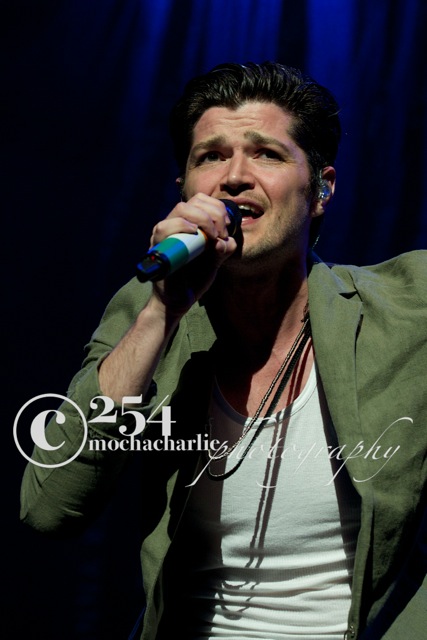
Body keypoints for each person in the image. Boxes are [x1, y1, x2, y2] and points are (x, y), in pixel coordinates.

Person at [20, 62, 426, 640]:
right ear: (184, 189)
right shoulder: (148, 311)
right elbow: (51, 506)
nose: (234, 177)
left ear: (322, 189)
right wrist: (161, 313)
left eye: (267, 154)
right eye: (210, 156)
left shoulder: (409, 306)